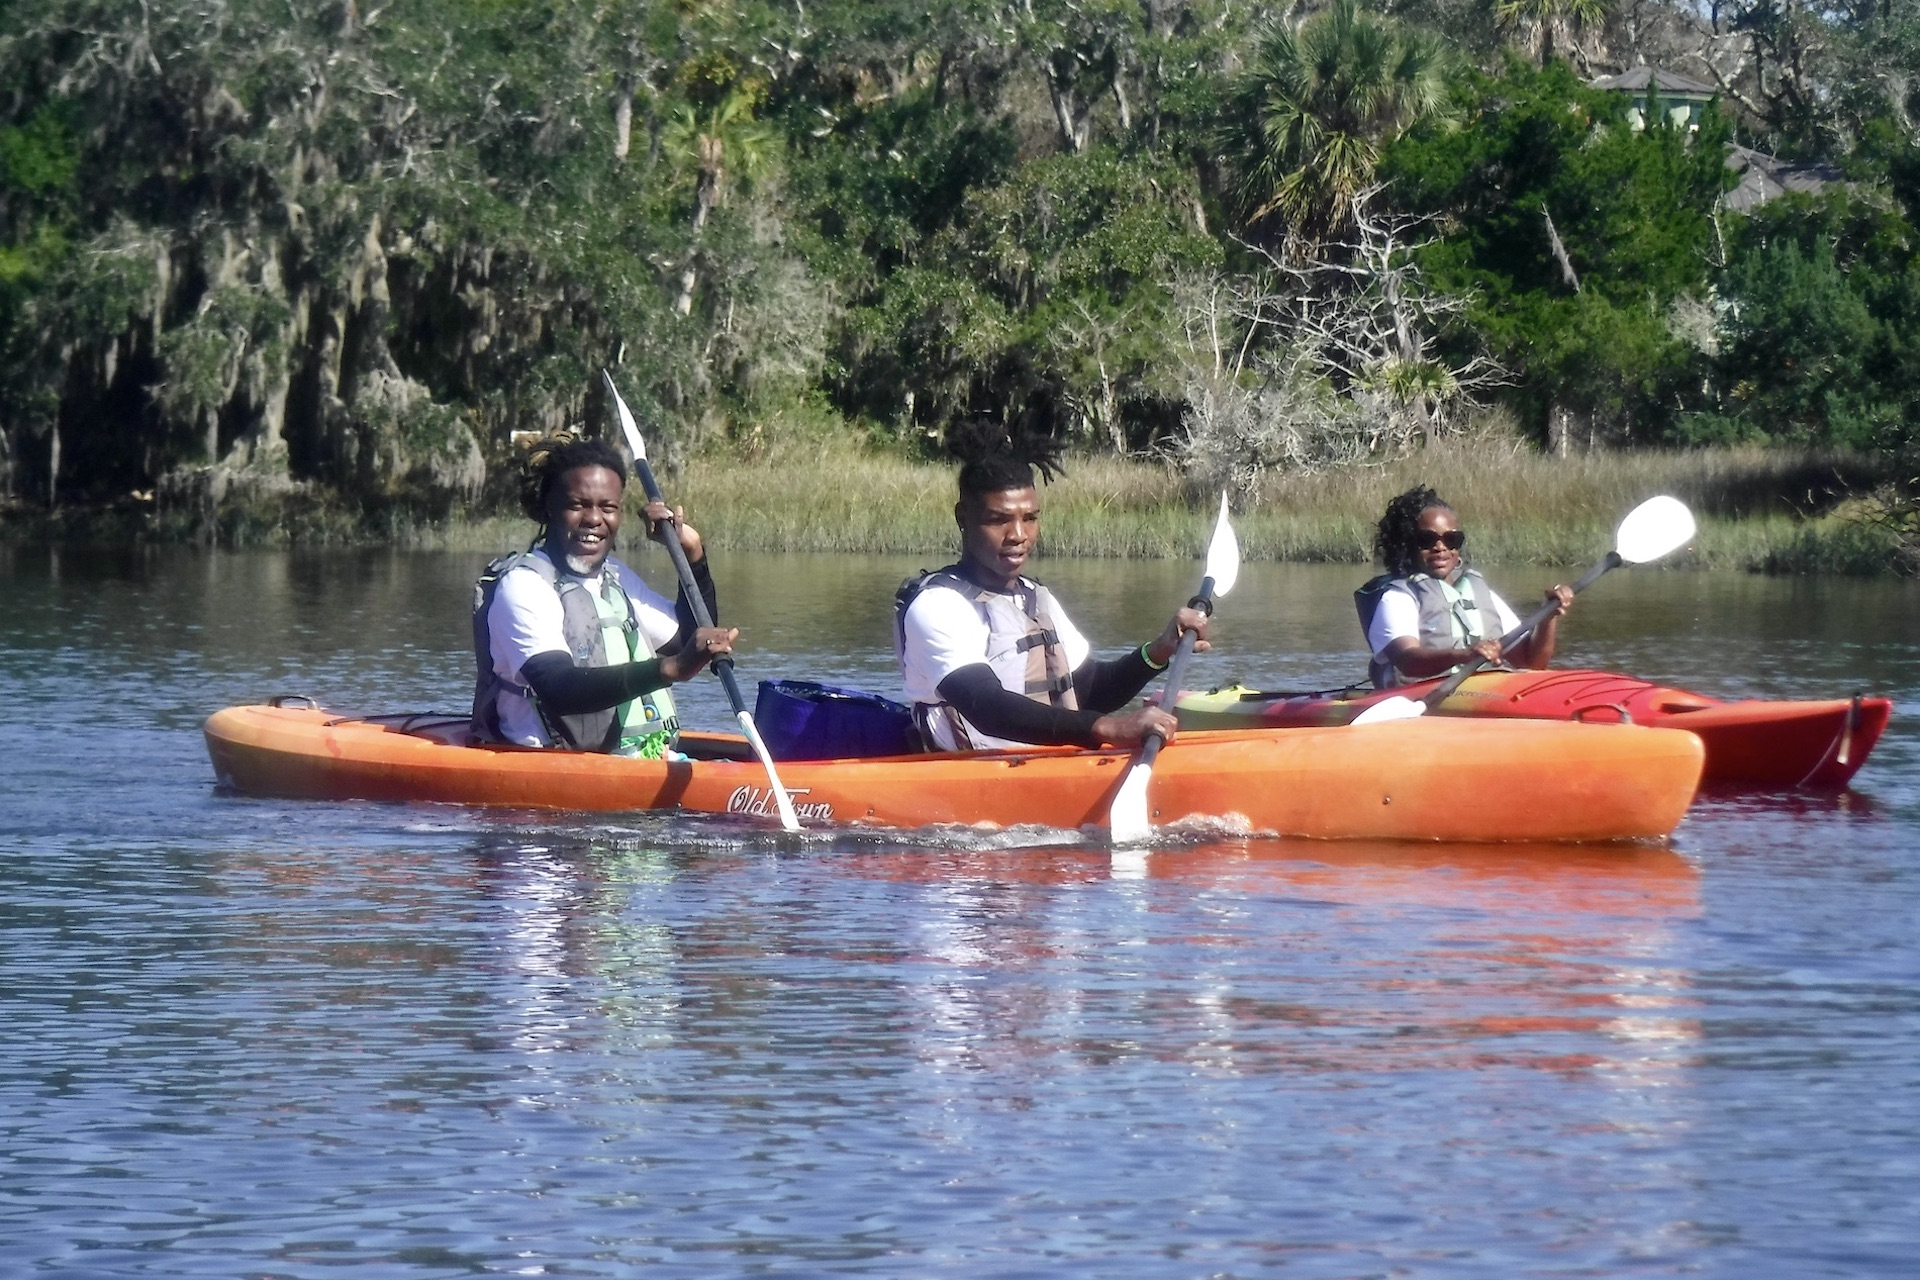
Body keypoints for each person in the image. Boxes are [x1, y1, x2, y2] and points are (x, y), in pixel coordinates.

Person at [895, 434, 1213, 752]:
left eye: (1030, 518)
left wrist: (1158, 652)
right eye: (998, 520)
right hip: (973, 778)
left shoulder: (1034, 597)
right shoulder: (937, 606)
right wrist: (1110, 727)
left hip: (1042, 768)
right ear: (963, 518)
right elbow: (987, 709)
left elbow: (1090, 690)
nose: (1018, 535)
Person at [471, 434, 737, 756]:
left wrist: (692, 553)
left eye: (608, 507)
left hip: (631, 756)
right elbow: (558, 689)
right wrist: (670, 669)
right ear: (549, 509)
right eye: (577, 505)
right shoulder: (524, 587)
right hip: (551, 761)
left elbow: (687, 639)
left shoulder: (615, 577)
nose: (595, 519)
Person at [1356, 485, 1573, 689]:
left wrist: (1547, 617)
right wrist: (1465, 655)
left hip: (1488, 692)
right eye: (1426, 539)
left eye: (1452, 539)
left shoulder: (1481, 593)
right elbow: (1408, 661)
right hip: (1420, 697)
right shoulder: (1397, 598)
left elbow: (1532, 663)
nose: (1440, 547)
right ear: (1406, 544)